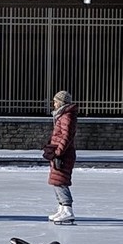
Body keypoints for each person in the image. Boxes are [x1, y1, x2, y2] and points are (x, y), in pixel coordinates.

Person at [44, 89, 78, 224]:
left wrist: (59, 151)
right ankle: (62, 208)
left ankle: (68, 210)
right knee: (55, 181)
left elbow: (66, 136)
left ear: (61, 102)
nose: (54, 104)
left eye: (55, 102)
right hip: (59, 153)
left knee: (60, 182)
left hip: (64, 154)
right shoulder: (62, 115)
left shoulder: (67, 116)